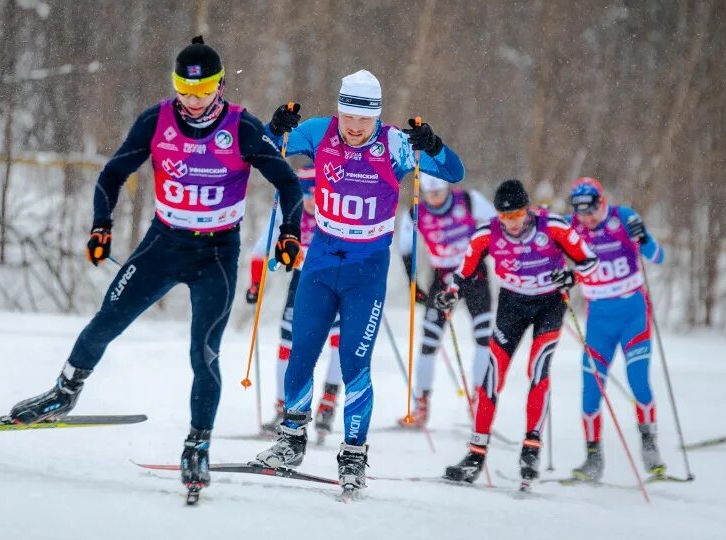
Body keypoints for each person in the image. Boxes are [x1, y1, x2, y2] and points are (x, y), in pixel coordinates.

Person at [7, 36, 304, 496]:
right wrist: (101, 226)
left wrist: (289, 232)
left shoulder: (243, 127)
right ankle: (63, 393)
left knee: (203, 354)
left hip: (217, 254)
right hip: (163, 244)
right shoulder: (157, 120)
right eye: (184, 91)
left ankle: (197, 445)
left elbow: (288, 184)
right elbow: (111, 175)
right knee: (107, 320)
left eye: (203, 92)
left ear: (220, 87)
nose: (193, 101)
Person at [251, 69, 465, 490]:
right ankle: (291, 438)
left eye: (363, 120)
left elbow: (454, 171)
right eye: (348, 116)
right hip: (320, 262)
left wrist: (434, 145)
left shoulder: (396, 144)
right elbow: (258, 149)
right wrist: (272, 128)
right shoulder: (319, 132)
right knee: (301, 352)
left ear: (377, 117)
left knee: (354, 362)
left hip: (366, 271)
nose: (353, 127)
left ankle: (353, 453)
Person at [441, 180, 597, 485]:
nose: (512, 223)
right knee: (492, 375)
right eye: (505, 217)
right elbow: (465, 267)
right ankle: (475, 455)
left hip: (549, 305)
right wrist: (452, 292)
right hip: (512, 304)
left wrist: (572, 276)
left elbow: (589, 260)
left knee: (538, 371)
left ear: (528, 210)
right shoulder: (488, 233)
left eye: (517, 216)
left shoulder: (552, 226)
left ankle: (530, 449)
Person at [566, 177, 667, 481]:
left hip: (632, 313)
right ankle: (593, 457)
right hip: (598, 318)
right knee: (590, 390)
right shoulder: (573, 227)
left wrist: (644, 238)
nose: (587, 219)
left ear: (602, 201)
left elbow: (658, 256)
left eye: (591, 211)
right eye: (581, 213)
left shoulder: (623, 218)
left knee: (638, 382)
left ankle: (649, 444)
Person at [247, 164, 343, 440]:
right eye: (306, 195)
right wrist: (255, 284)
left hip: (333, 283)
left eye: (317, 194)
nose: (312, 201)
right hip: (301, 283)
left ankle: (327, 404)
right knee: (287, 344)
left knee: (338, 341)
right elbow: (261, 248)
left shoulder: (335, 211)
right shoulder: (288, 213)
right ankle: (284, 407)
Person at [396, 174, 496, 428]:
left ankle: (479, 403)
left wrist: (487, 249)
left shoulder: (469, 200)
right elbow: (405, 247)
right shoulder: (415, 211)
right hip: (441, 279)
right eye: (430, 195)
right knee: (429, 342)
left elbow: (497, 225)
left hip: (474, 275)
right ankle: (421, 406)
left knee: (484, 338)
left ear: (447, 189)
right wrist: (413, 284)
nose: (435, 200)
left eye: (439, 193)